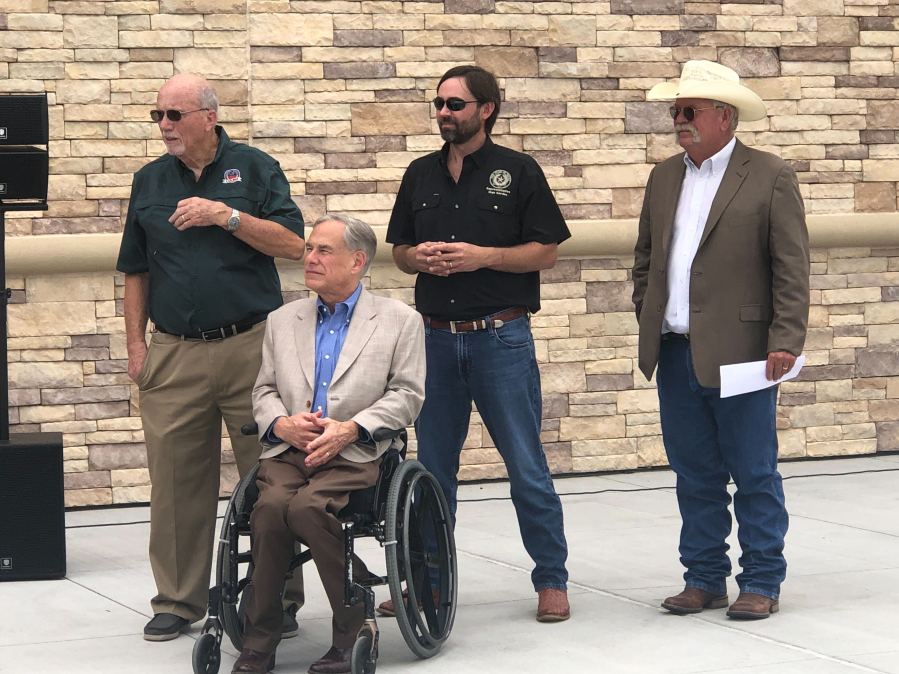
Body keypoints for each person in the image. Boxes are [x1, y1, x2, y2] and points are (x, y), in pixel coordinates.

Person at [116, 73, 306, 641]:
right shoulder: (149, 180)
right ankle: (178, 600)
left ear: (209, 116)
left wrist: (226, 216)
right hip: (174, 352)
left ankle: (278, 599)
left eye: (174, 115)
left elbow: (294, 244)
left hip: (251, 347)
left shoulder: (254, 168)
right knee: (175, 483)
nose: (164, 126)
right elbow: (135, 269)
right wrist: (136, 347)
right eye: (158, 115)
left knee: (271, 478)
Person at [385, 65, 571, 622]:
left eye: (455, 104)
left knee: (526, 465)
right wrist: (416, 258)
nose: (444, 113)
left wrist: (483, 257)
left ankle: (551, 579)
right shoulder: (419, 173)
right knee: (431, 472)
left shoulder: (518, 171)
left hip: (500, 339)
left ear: (486, 109)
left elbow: (546, 252)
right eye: (439, 104)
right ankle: (427, 584)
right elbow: (399, 251)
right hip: (435, 342)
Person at [632, 60, 810, 620]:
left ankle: (761, 579)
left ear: (725, 117)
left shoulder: (770, 175)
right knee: (694, 474)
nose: (678, 120)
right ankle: (704, 577)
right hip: (675, 350)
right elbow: (645, 258)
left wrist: (785, 339)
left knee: (754, 471)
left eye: (690, 110)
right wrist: (647, 311)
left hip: (745, 354)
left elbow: (791, 267)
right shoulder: (664, 177)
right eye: (675, 110)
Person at [233, 214, 426, 674]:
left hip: (354, 452)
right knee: (268, 510)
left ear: (357, 261)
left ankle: (352, 629)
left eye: (324, 250)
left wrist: (352, 428)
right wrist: (281, 424)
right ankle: (260, 639)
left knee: (307, 508)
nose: (311, 258)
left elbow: (407, 395)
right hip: (289, 452)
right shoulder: (282, 320)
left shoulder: (400, 320)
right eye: (310, 249)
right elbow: (263, 390)